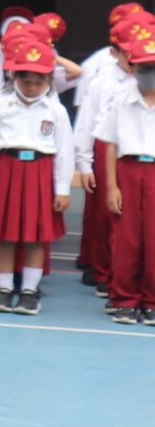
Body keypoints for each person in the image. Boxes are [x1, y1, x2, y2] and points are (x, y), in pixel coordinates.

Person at [0, 29, 73, 316]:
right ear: (14, 77)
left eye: (39, 81)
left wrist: (63, 189)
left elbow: (65, 152)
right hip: (8, 170)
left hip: (40, 172)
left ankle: (29, 291)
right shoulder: (0, 105)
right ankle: (4, 289)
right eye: (25, 79)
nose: (31, 86)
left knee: (35, 237)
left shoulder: (56, 111)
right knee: (5, 236)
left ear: (49, 80)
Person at [94, 32, 155, 325]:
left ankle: (151, 300)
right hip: (129, 170)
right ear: (132, 68)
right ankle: (125, 299)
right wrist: (112, 185)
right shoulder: (121, 100)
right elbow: (110, 144)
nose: (150, 75)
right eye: (144, 68)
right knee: (126, 240)